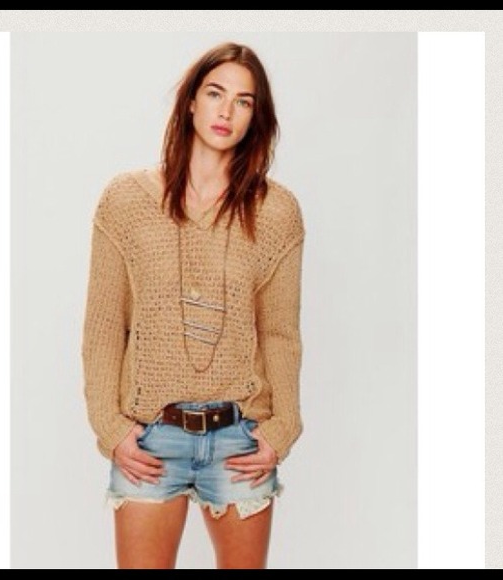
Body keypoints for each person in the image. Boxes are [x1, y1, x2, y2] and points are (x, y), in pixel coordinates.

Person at [81, 41, 306, 569]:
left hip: (239, 439)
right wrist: (110, 427)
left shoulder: (276, 212)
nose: (227, 111)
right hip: (150, 439)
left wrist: (282, 429)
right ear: (190, 102)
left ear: (256, 117)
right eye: (215, 94)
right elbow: (104, 327)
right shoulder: (126, 201)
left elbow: (280, 333)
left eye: (244, 101)